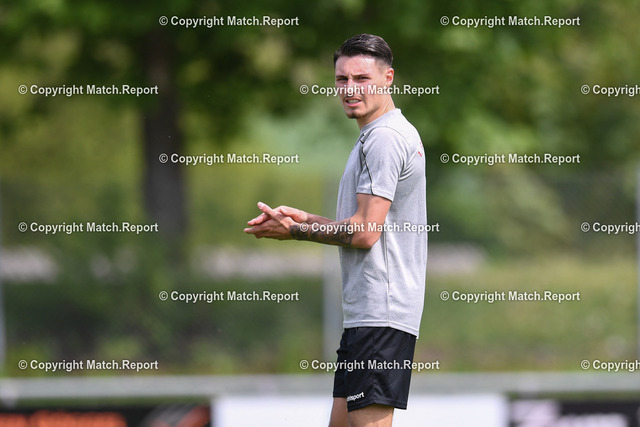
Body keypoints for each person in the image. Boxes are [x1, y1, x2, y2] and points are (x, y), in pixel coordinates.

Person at [244, 33, 427, 427]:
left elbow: (364, 233)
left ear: (388, 78)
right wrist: (306, 221)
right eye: (342, 79)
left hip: (380, 315)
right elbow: (367, 224)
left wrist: (295, 233)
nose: (349, 89)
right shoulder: (375, 135)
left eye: (361, 78)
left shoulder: (384, 139)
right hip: (367, 316)